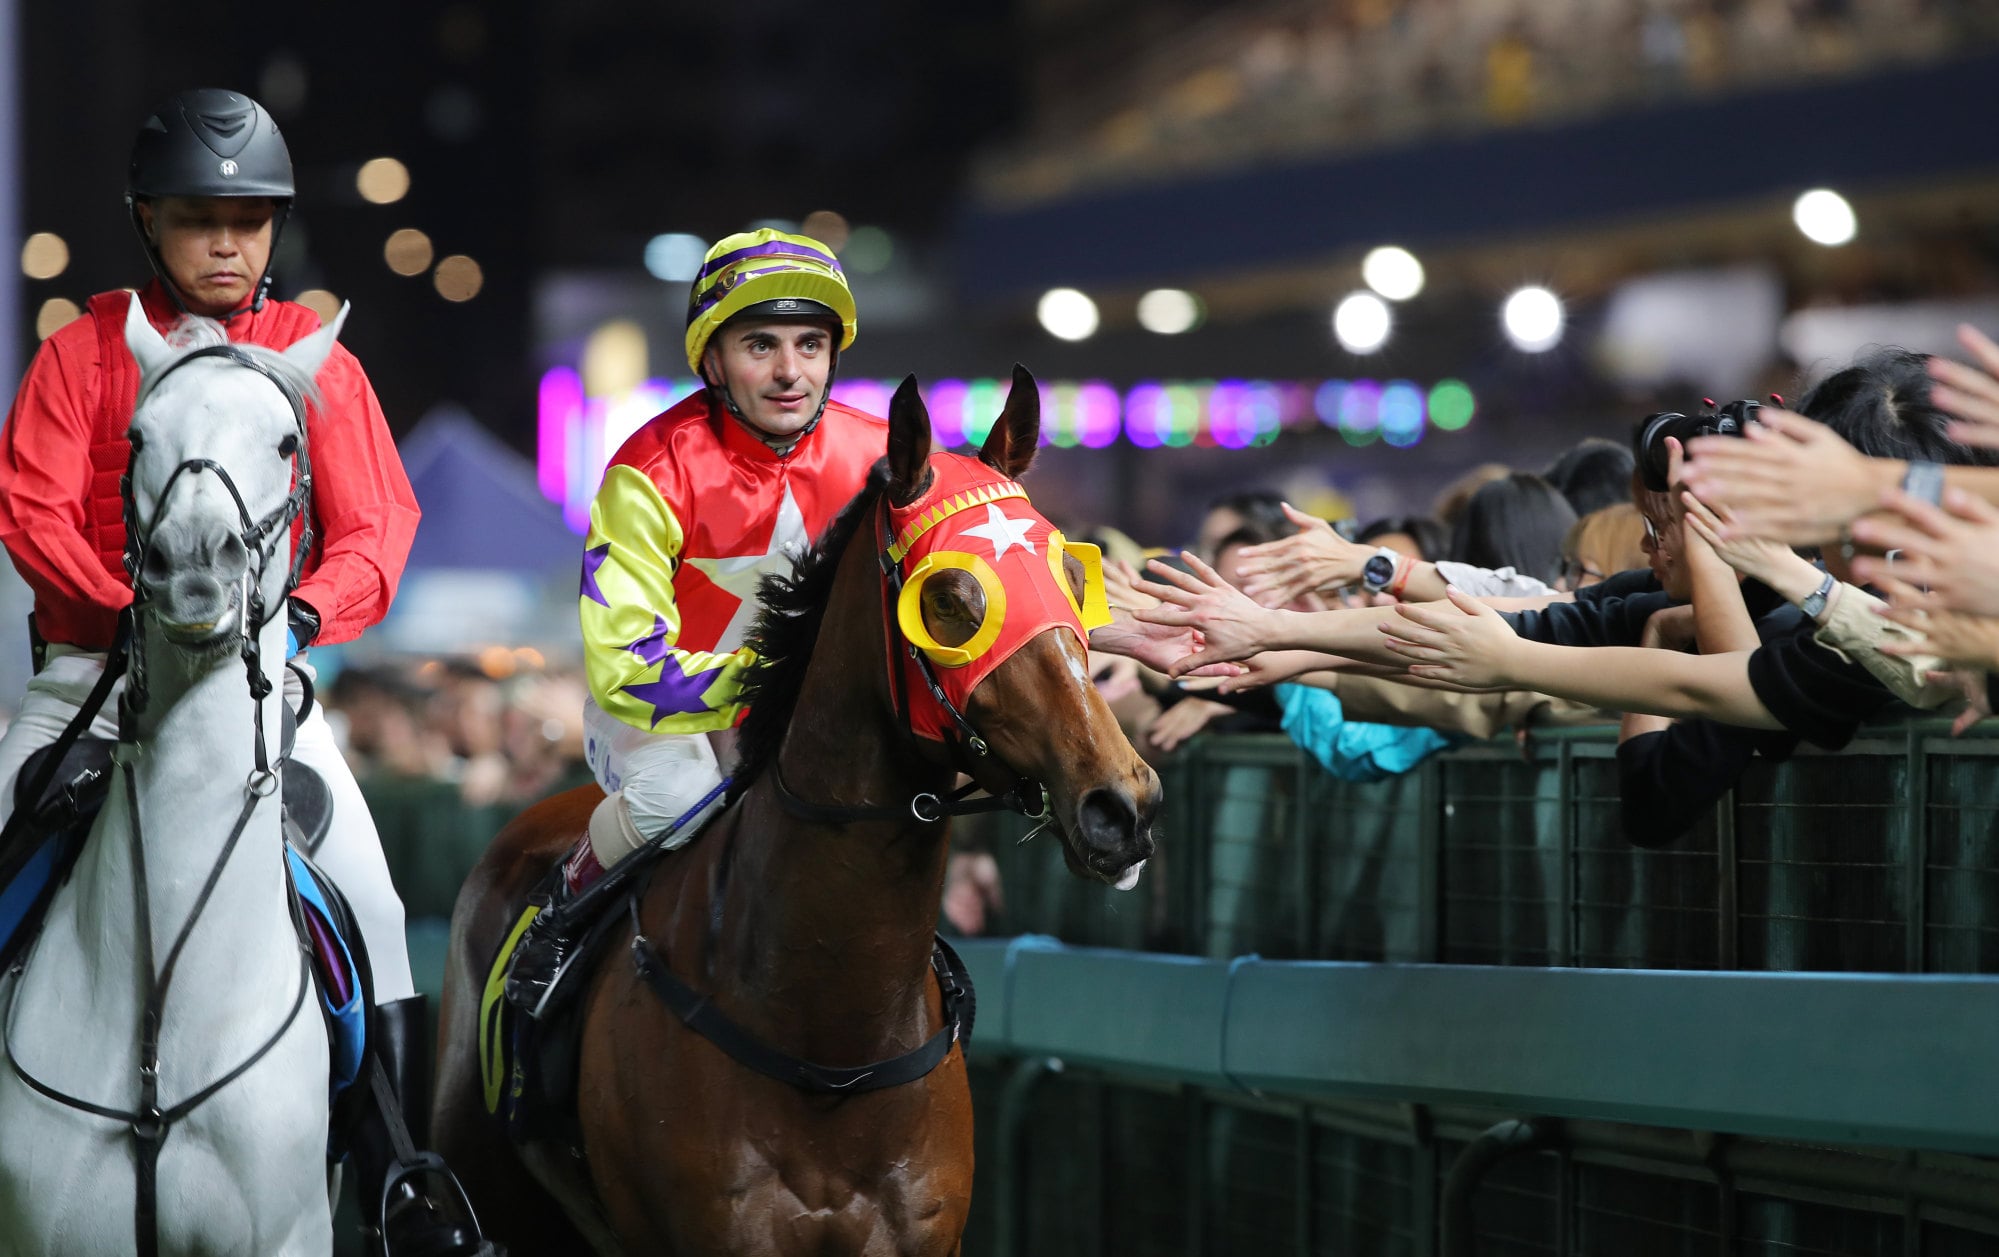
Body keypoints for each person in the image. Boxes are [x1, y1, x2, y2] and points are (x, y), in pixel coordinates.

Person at [0, 89, 486, 1256]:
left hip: (260, 689)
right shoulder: (79, 352)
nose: (227, 243)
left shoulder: (317, 362)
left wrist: (309, 609)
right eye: (198, 218)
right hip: (91, 682)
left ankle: (396, 1180)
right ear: (147, 221)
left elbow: (378, 524)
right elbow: (32, 504)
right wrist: (130, 614)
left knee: (368, 903)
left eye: (250, 221)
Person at [504, 228, 885, 1006]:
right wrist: (789, 680)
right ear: (712, 359)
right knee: (676, 795)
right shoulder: (648, 470)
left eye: (810, 344)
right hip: (658, 717)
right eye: (760, 345)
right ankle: (559, 916)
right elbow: (626, 670)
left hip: (814, 719)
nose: (790, 371)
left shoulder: (883, 458)